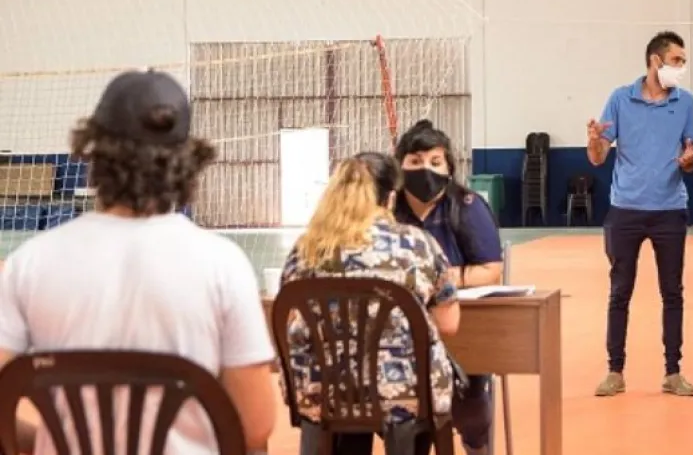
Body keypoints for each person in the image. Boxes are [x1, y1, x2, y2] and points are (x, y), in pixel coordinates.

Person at [0, 70, 278, 454]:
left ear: (92, 152)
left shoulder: (30, 262)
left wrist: (40, 444)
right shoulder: (223, 265)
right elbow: (254, 426)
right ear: (187, 160)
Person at [281, 152, 461, 455]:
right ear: (391, 199)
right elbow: (448, 324)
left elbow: (290, 317)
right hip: (403, 394)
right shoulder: (418, 244)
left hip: (325, 394)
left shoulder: (306, 248)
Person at [587, 31, 693, 398]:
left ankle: (673, 372)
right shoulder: (620, 99)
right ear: (656, 60)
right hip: (625, 210)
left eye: (683, 61)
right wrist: (593, 139)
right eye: (677, 60)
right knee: (620, 292)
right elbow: (598, 157)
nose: (681, 68)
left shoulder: (687, 104)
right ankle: (615, 371)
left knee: (673, 293)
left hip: (670, 210)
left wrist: (689, 161)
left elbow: (691, 158)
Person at [393, 120, 503, 455]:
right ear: (399, 167)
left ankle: (475, 445)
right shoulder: (388, 209)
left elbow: (491, 270)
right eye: (415, 161)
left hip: (460, 327)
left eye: (435, 162)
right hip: (398, 334)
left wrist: (442, 279)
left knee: (470, 405)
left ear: (449, 167)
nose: (425, 169)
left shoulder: (467, 207)